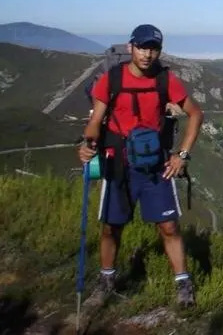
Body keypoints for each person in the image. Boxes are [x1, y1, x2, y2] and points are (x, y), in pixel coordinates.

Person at [78, 24, 204, 309]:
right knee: (112, 227)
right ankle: (107, 280)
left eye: (153, 48)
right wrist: (88, 143)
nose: (148, 54)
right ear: (130, 47)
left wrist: (181, 155)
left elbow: (196, 114)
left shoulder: (165, 79)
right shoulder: (111, 79)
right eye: (143, 47)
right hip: (117, 163)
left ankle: (183, 283)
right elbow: (96, 120)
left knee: (169, 226)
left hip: (156, 164)